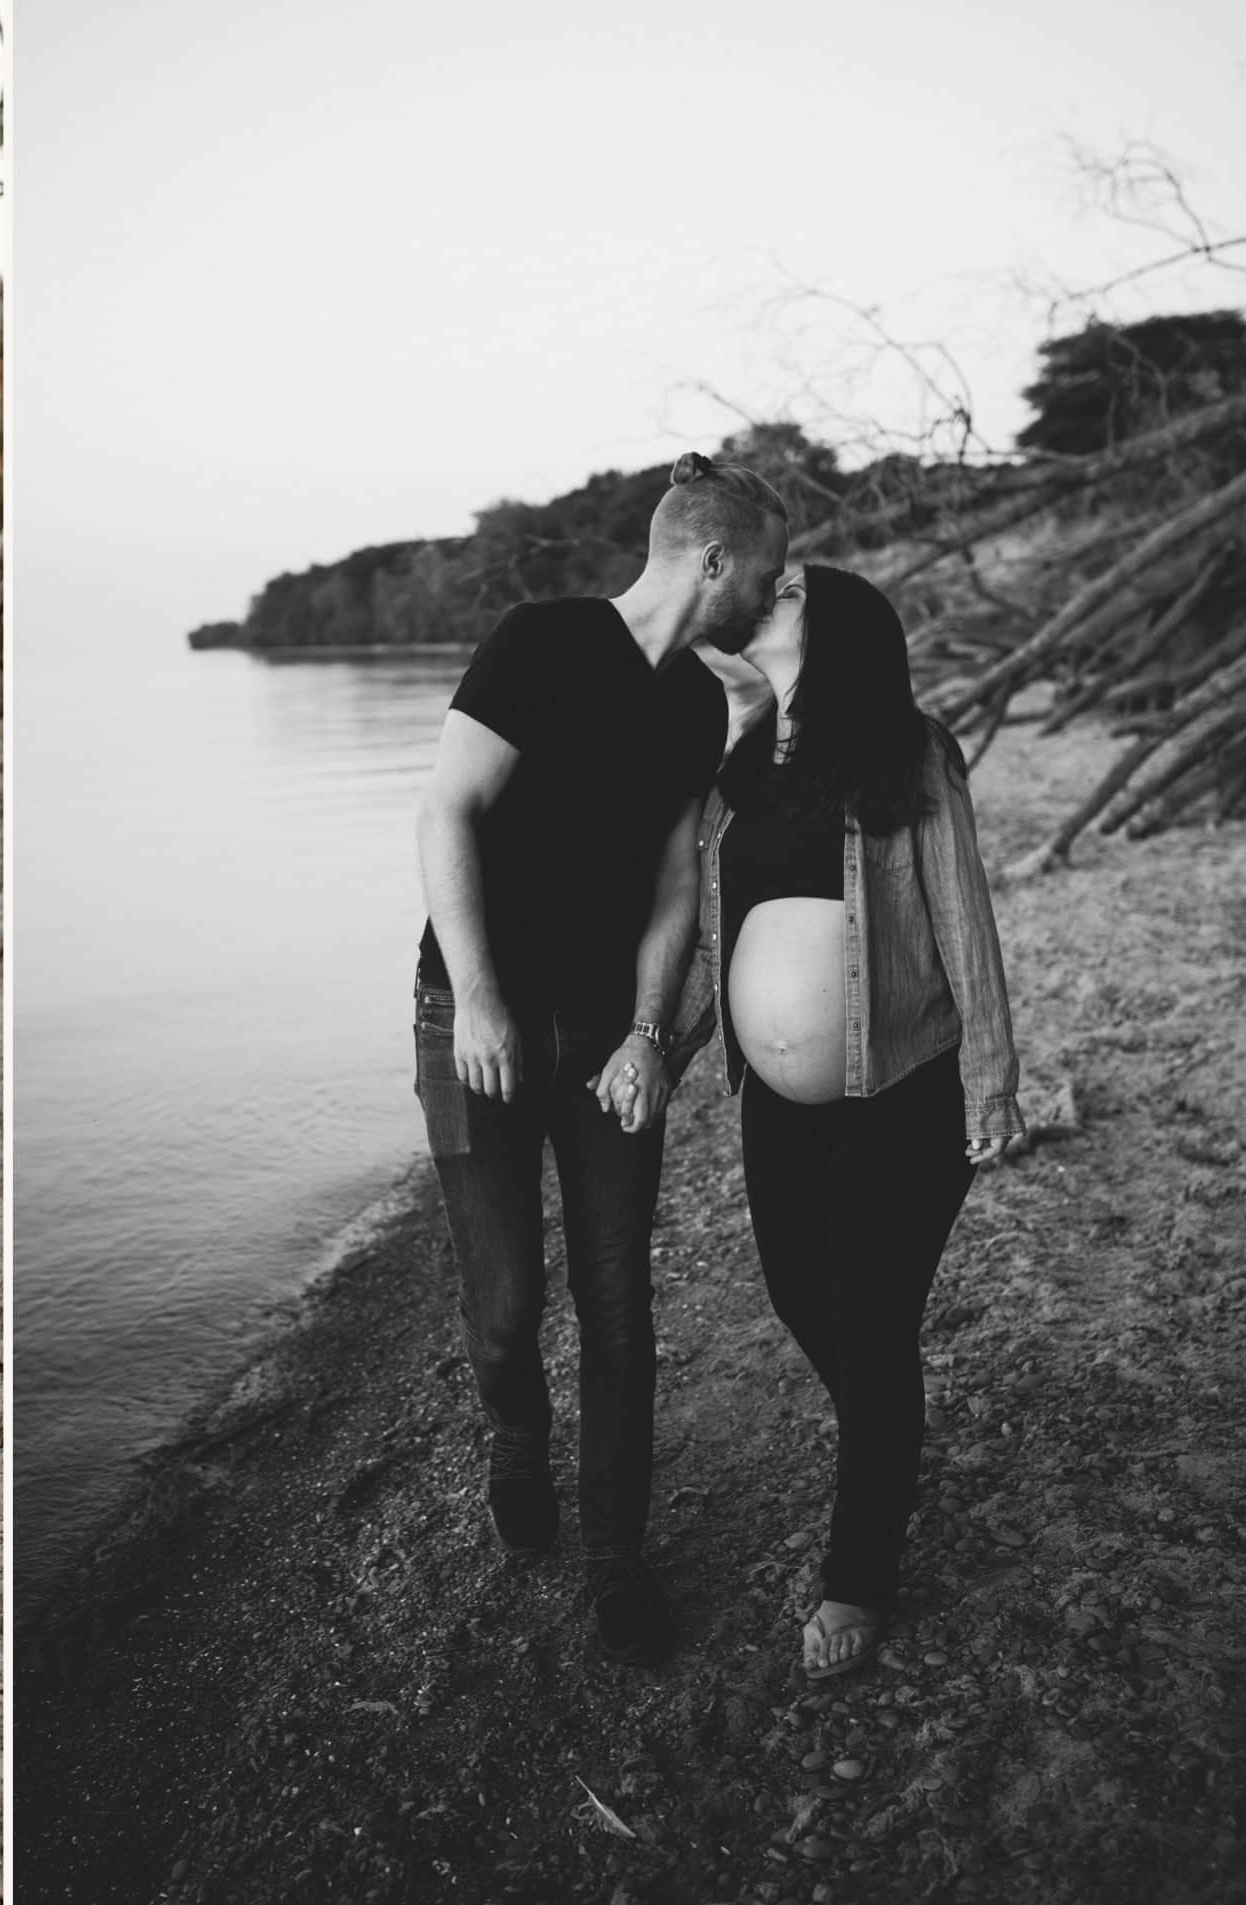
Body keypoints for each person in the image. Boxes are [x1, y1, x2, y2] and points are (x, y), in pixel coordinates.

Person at [412, 452, 790, 1664]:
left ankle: (616, 1566)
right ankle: (514, 1436)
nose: (774, 596)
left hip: (603, 1038)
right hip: (471, 1016)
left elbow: (680, 878)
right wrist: (479, 1002)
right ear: (715, 560)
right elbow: (448, 814)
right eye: (767, 574)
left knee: (618, 1305)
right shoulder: (541, 642)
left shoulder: (698, 702)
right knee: (507, 1310)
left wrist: (646, 1034)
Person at [659, 563, 1021, 1679]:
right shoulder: (741, 763)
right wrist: (659, 1047)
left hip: (903, 1094)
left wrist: (997, 1076)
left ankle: (859, 1574)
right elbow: (719, 933)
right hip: (777, 1108)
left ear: (841, 631)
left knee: (868, 1323)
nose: (771, 590)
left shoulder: (909, 751)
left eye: (792, 587)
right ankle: (888, 1433)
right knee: (796, 1294)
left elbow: (964, 912)